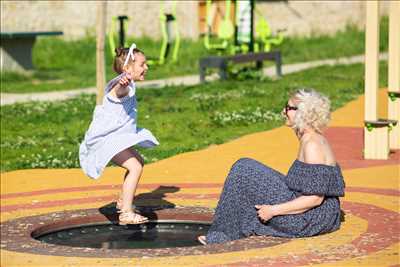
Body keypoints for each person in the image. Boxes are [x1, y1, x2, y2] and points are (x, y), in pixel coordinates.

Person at [198, 88, 345, 244]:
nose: (283, 111)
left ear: (303, 113)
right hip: (316, 213)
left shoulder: (312, 144)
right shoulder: (311, 137)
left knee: (243, 171)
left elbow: (314, 199)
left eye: (288, 108)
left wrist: (272, 210)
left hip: (311, 218)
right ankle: (225, 233)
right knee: (246, 169)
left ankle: (221, 236)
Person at [79, 43, 159, 225]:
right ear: (127, 68)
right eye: (142, 64)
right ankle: (126, 213)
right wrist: (123, 84)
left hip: (116, 138)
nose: (146, 67)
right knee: (135, 167)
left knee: (138, 162)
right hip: (108, 140)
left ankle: (123, 201)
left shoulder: (128, 84)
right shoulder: (121, 87)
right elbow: (119, 91)